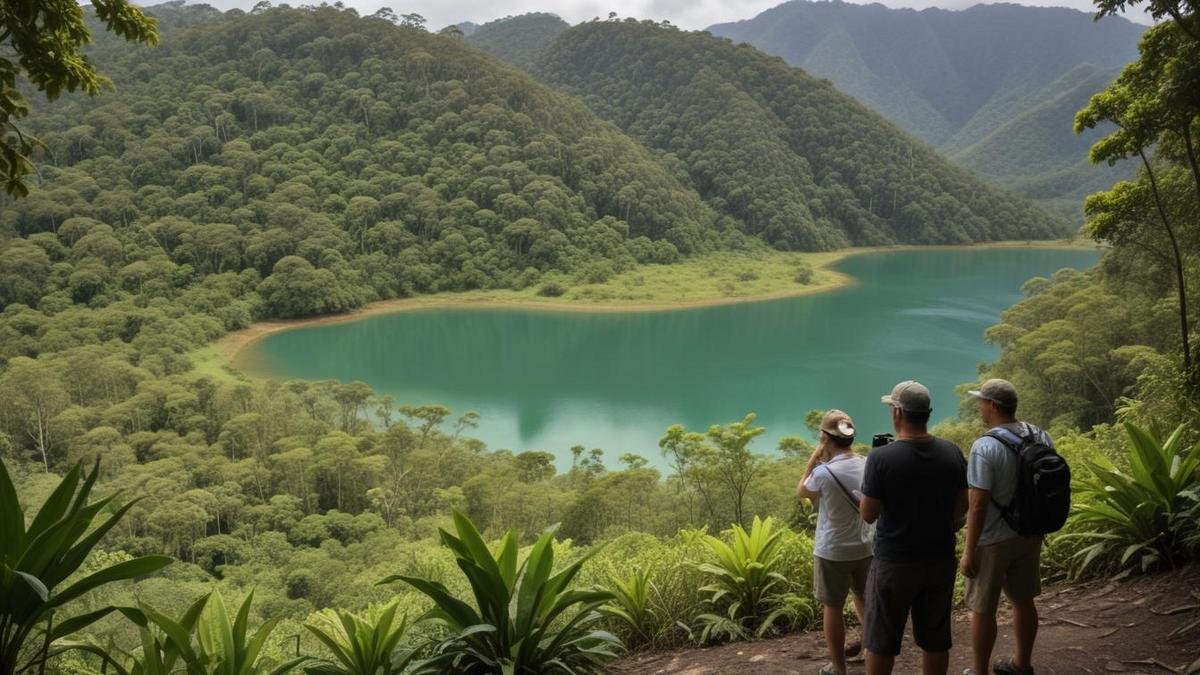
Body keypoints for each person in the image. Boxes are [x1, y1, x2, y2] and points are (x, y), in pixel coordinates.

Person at [859, 381, 968, 675]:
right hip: (940, 560)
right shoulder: (951, 452)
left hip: (894, 562)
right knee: (935, 640)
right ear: (927, 413)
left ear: (897, 413)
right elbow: (963, 506)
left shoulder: (881, 458)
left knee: (881, 641)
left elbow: (868, 514)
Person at [960, 379, 1052, 675]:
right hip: (1029, 531)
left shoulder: (985, 446)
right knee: (1024, 601)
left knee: (982, 609)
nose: (979, 407)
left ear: (994, 406)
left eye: (982, 402)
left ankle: (979, 671)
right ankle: (1022, 664)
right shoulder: (1040, 435)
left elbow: (977, 504)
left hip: (992, 540)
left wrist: (968, 550)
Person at [796, 410, 873, 675]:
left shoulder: (824, 473)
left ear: (826, 439)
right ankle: (868, 651)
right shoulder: (867, 463)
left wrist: (814, 457)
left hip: (832, 552)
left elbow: (801, 491)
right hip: (865, 547)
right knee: (864, 599)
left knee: (833, 607)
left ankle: (838, 667)